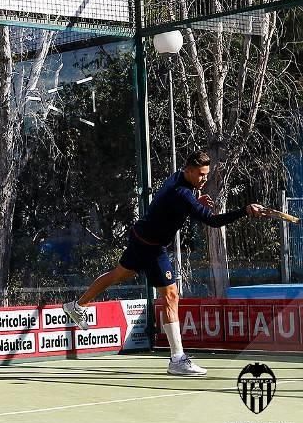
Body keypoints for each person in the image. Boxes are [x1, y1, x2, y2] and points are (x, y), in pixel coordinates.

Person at [63, 150, 268, 377]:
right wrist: (245, 211)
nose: (204, 179)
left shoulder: (177, 179)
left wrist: (194, 200)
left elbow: (170, 204)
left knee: (118, 275)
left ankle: (77, 305)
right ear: (189, 170)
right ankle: (177, 359)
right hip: (151, 247)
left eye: (206, 174)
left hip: (140, 236)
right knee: (171, 295)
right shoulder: (182, 193)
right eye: (201, 174)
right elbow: (212, 220)